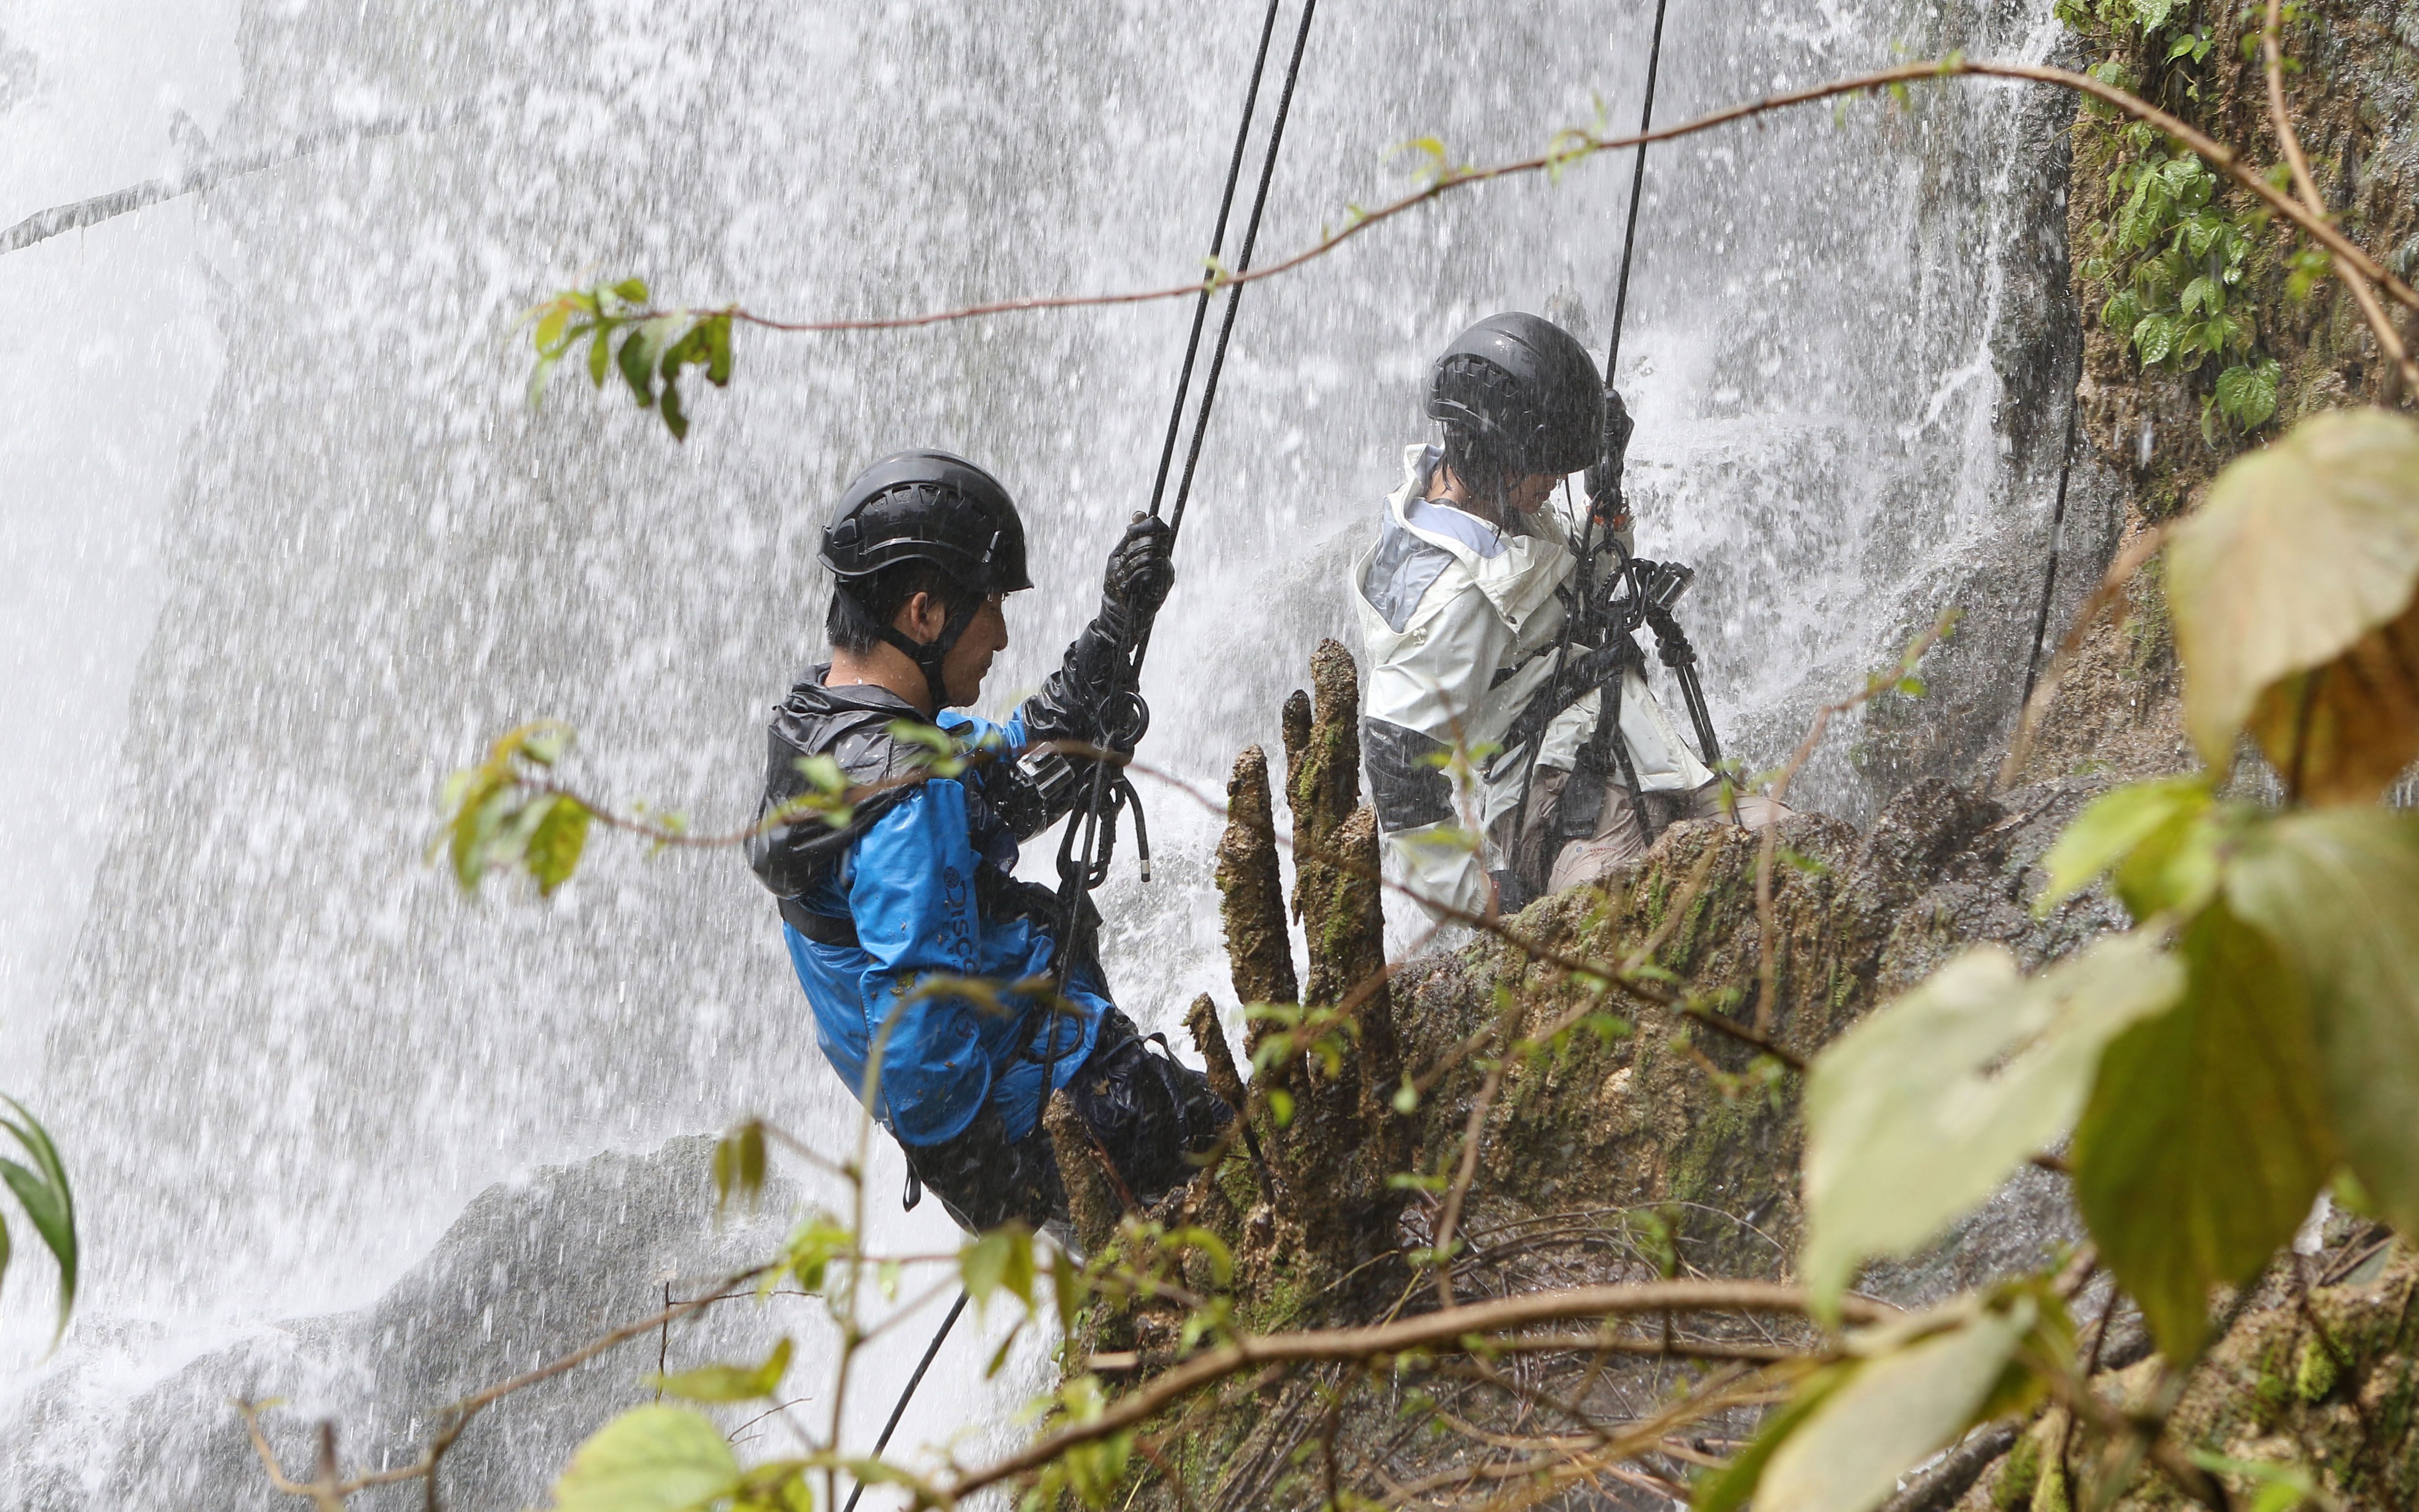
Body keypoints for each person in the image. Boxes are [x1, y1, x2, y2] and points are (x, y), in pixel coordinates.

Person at [747, 449, 1229, 1234]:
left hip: (1025, 1109)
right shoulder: (905, 796)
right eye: (993, 605)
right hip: (1062, 1098)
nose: (1003, 634)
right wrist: (995, 1186)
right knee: (1264, 1181)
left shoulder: (828, 725)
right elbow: (920, 1020)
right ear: (925, 613)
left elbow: (1010, 761)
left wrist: (1114, 631)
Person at [1351, 312, 1781, 922]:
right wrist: (1479, 898)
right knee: (1630, 931)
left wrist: (1607, 502)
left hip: (1642, 753)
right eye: (1546, 464)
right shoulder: (1446, 596)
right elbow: (1397, 768)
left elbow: (1572, 598)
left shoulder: (1486, 509)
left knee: (1800, 858)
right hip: (1557, 802)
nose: (1556, 480)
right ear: (1499, 454)